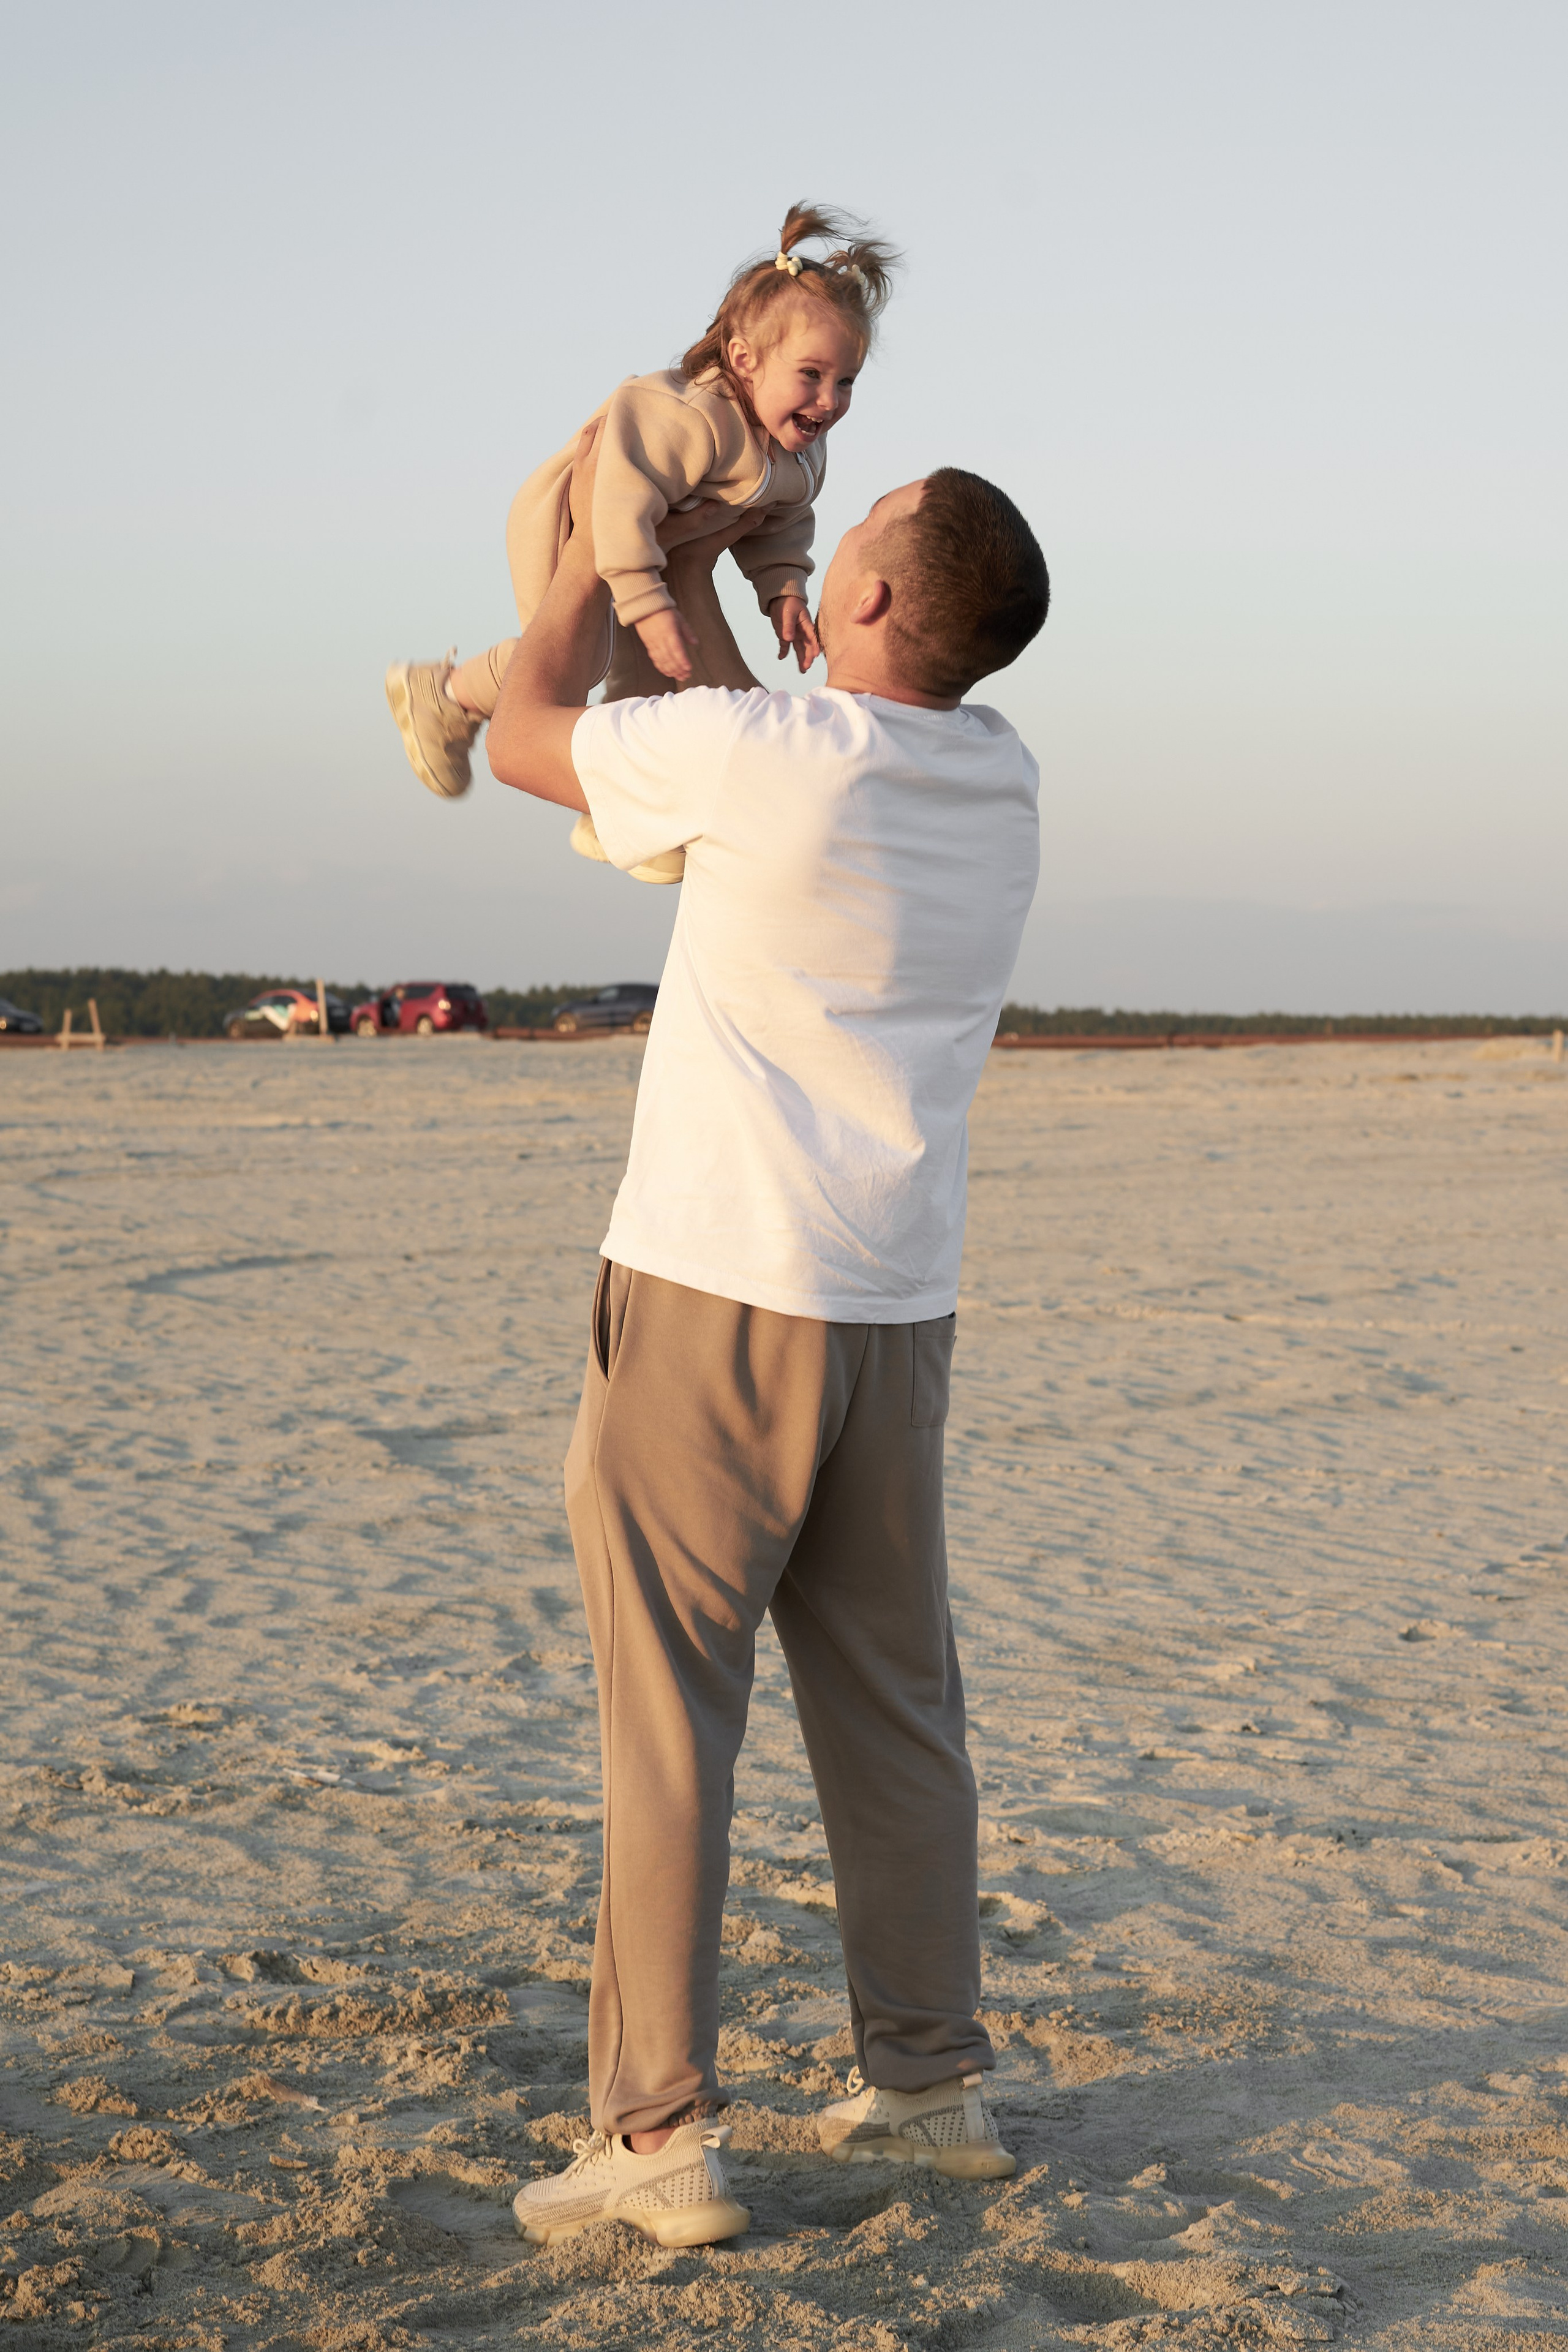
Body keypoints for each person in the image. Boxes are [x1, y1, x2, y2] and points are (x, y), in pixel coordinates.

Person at [486, 424, 1049, 2250]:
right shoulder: (996, 775)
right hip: (894, 1312)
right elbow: (788, 730)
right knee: (897, 1714)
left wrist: (595, 535)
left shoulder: (763, 754)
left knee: (670, 1718)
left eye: (859, 527)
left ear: (874, 590)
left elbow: (518, 732)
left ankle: (653, 2135)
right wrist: (728, 587)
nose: (843, 523)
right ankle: (930, 2086)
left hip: (719, 1295)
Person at [384, 203, 896, 883]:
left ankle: (614, 813)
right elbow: (619, 502)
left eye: (846, 382)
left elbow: (783, 520)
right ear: (744, 360)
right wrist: (646, 602)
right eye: (811, 375)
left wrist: (784, 590)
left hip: (653, 544)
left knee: (657, 668)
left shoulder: (801, 451)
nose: (829, 401)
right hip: (581, 517)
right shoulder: (687, 417)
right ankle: (447, 694)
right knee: (577, 659)